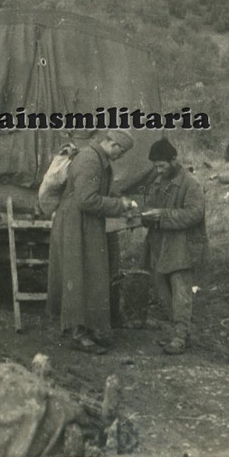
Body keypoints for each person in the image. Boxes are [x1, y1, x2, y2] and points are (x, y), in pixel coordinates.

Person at [47, 128, 139, 354]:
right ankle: (77, 334)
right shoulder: (90, 160)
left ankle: (88, 329)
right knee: (78, 276)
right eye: (122, 151)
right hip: (75, 224)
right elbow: (87, 200)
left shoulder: (98, 159)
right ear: (114, 145)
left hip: (85, 224)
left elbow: (99, 192)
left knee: (91, 275)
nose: (121, 156)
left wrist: (120, 200)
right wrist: (121, 206)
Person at [140, 137, 208, 355]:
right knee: (163, 291)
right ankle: (179, 334)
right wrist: (145, 216)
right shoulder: (160, 182)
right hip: (161, 246)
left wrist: (162, 216)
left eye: (161, 166)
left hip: (183, 247)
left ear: (173, 160)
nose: (158, 171)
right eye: (155, 166)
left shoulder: (191, 183)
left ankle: (180, 337)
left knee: (181, 294)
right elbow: (151, 206)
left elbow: (194, 214)